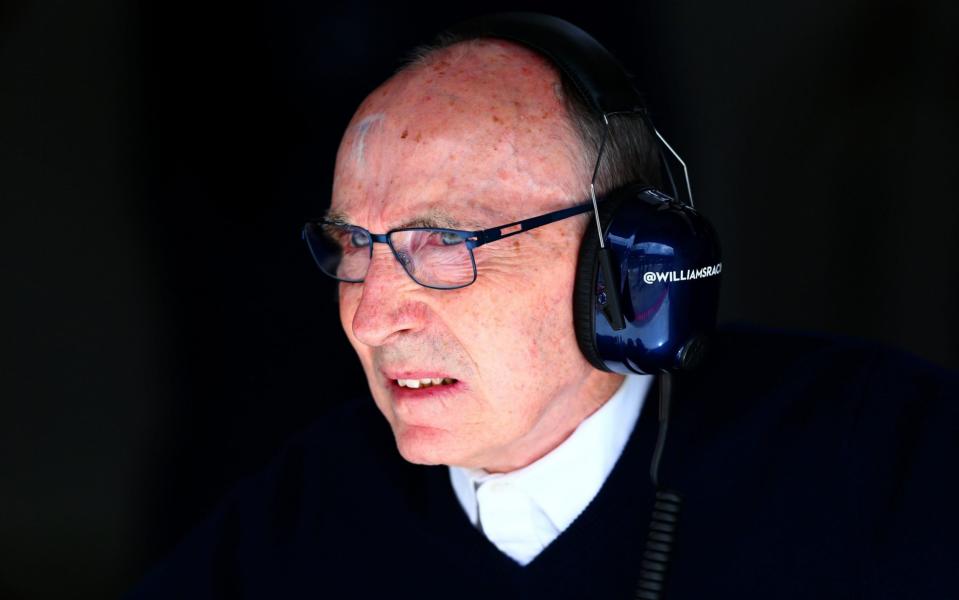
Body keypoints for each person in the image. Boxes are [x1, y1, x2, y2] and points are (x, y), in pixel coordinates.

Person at [129, 14, 958, 599]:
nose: (373, 316)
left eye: (444, 241)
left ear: (627, 259)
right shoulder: (303, 507)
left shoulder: (889, 452)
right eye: (354, 247)